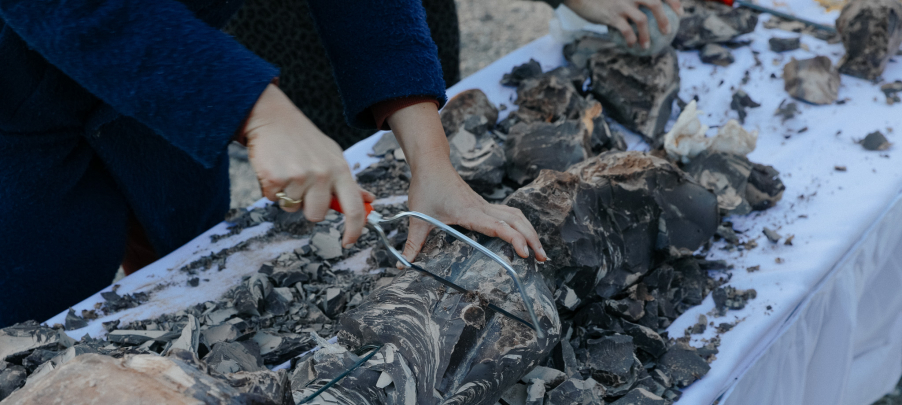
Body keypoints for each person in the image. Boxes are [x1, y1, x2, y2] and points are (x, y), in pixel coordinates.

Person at [0, 0, 546, 328]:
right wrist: (252, 106)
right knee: (29, 346)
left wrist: (432, 165)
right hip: (16, 115)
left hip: (172, 91)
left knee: (185, 277)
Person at [226, 0, 683, 152]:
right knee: (327, 141)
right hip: (284, 34)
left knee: (422, 92)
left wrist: (429, 153)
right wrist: (254, 105)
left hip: (396, 22)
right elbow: (152, 27)